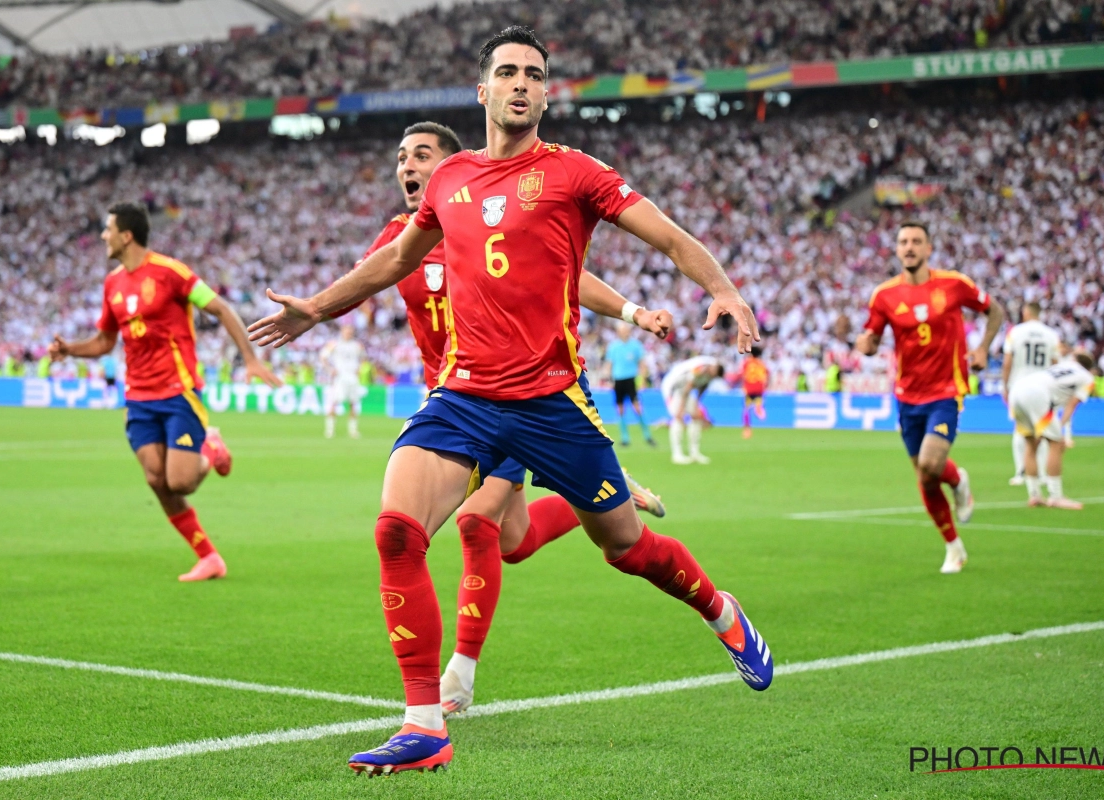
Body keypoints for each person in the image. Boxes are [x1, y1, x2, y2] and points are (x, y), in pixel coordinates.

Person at [249, 26, 773, 776]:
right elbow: (395, 259)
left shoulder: (575, 173)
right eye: (506, 71)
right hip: (462, 396)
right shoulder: (449, 180)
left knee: (623, 548)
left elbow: (669, 236)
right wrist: (316, 308)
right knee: (398, 531)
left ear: (547, 92)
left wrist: (720, 289)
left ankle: (721, 613)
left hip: (553, 400)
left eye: (533, 73)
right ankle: (425, 724)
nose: (521, 83)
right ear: (483, 89)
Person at [323, 121, 671, 716]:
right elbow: (367, 279)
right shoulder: (397, 236)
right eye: (401, 157)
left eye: (422, 155)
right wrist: (314, 311)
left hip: (519, 393)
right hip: (454, 404)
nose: (408, 166)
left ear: (460, 167)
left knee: (476, 526)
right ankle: (609, 489)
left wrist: (632, 311)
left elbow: (569, 276)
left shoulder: (500, 211)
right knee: (514, 542)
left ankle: (458, 676)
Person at [49, 202, 280, 581]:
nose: (103, 236)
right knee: (156, 479)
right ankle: (209, 557)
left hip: (178, 392)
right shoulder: (112, 283)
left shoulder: (171, 273)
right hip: (138, 397)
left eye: (108, 229)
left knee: (181, 481)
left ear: (126, 235)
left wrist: (251, 360)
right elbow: (106, 341)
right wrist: (69, 349)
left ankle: (212, 448)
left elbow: (220, 308)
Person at [856, 221, 1004, 574]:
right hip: (907, 395)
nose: (909, 247)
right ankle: (954, 545)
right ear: (896, 249)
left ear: (928, 248)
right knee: (925, 477)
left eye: (916, 241)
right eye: (903, 241)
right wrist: (865, 344)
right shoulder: (884, 295)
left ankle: (954, 479)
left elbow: (994, 310)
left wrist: (983, 348)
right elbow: (872, 337)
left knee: (929, 465)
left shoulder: (954, 284)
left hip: (947, 390)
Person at [1009, 352, 1096, 509]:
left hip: (1017, 390)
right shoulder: (1088, 378)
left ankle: (1034, 495)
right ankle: (1056, 497)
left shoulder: (1064, 365)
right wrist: (1059, 429)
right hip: (1037, 394)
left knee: (1031, 444)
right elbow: (1071, 406)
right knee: (1056, 444)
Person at [1001, 302, 1060, 486]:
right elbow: (1055, 363)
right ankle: (1040, 473)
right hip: (1042, 387)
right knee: (1042, 429)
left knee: (1021, 431)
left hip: (1020, 386)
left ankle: (1021, 472)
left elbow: (1007, 361)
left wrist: (1005, 385)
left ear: (1026, 312)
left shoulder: (1015, 332)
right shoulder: (1051, 335)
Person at [661, 355, 724, 464]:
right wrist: (681, 407)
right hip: (675, 388)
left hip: (687, 392)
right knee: (678, 418)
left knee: (696, 417)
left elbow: (700, 390)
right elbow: (687, 386)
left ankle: (694, 453)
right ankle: (677, 454)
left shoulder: (710, 376)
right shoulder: (700, 369)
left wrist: (696, 406)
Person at [603, 321, 656, 447]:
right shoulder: (614, 346)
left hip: (631, 379)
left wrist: (642, 379)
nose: (624, 332)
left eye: (626, 330)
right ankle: (625, 437)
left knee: (637, 407)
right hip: (618, 380)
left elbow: (642, 363)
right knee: (620, 409)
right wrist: (608, 379)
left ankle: (647, 435)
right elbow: (609, 364)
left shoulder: (635, 345)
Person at [321, 324, 366, 439]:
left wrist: (359, 368)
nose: (348, 334)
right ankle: (330, 430)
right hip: (340, 378)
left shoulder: (356, 345)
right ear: (342, 332)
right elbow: (323, 357)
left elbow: (363, 358)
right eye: (346, 331)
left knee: (353, 404)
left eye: (350, 332)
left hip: (352, 377)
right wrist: (330, 370)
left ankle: (353, 431)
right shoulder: (335, 344)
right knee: (334, 403)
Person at [740, 346, 769, 439]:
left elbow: (743, 375)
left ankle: (747, 430)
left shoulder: (747, 362)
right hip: (759, 390)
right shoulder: (762, 364)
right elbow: (766, 377)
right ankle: (759, 409)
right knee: (758, 404)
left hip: (749, 390)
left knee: (746, 410)